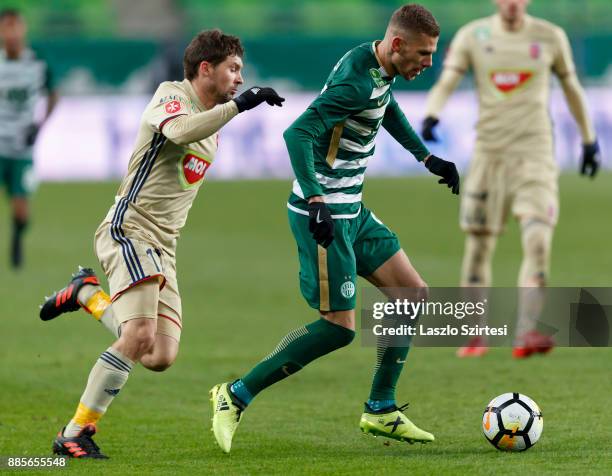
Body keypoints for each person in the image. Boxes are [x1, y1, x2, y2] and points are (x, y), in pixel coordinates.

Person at [210, 4, 460, 454]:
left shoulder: (374, 64)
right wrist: (317, 199)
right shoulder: (356, 81)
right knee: (340, 327)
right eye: (423, 54)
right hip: (322, 215)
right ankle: (235, 394)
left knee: (412, 294)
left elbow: (384, 106)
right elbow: (297, 134)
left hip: (353, 208)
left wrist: (426, 157)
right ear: (398, 44)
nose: (429, 63)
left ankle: (381, 408)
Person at [39, 29, 284, 459]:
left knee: (158, 355)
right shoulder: (171, 95)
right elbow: (178, 133)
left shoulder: (215, 123)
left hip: (163, 246)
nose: (240, 79)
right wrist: (238, 105)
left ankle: (87, 294)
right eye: (233, 69)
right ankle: (75, 432)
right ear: (205, 68)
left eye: (241, 72)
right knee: (138, 334)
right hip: (129, 228)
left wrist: (231, 108)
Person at [421, 0, 600, 359]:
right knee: (479, 244)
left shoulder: (550, 37)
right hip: (489, 155)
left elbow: (571, 88)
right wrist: (430, 114)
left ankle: (526, 331)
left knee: (537, 239)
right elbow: (448, 80)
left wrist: (589, 139)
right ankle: (474, 335)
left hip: (536, 155)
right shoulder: (474, 36)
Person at [0, 8, 58, 269]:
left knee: (21, 210)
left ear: (23, 29)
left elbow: (54, 95)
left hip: (22, 150)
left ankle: (17, 237)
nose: (11, 33)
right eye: (6, 27)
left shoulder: (37, 63)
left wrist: (39, 125)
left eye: (15, 26)